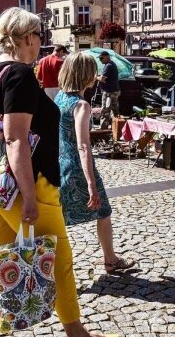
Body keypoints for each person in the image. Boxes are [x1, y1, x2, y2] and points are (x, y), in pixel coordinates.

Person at [0, 7, 119, 337]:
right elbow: (14, 139)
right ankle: (77, 334)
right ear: (26, 38)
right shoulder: (19, 73)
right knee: (61, 256)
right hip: (28, 184)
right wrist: (29, 196)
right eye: (39, 36)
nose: (41, 43)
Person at [55, 52, 135, 274]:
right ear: (86, 75)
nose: (97, 74)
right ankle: (110, 259)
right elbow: (83, 146)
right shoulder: (81, 105)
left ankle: (54, 267)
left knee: (58, 218)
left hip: (60, 165)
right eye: (94, 70)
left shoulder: (60, 98)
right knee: (103, 211)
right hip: (77, 169)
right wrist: (91, 182)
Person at [97, 51, 120, 130]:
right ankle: (116, 129)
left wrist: (96, 77)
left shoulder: (108, 66)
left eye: (101, 58)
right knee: (115, 111)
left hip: (109, 92)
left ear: (107, 57)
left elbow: (102, 79)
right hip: (114, 91)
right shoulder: (112, 64)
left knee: (105, 111)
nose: (100, 60)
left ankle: (103, 131)